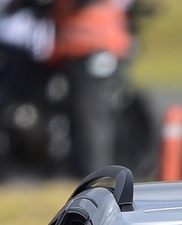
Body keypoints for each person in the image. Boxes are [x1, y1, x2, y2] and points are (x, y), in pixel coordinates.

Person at [46, 0, 133, 177]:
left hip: (95, 44)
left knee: (91, 116)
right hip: (74, 46)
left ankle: (96, 180)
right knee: (79, 115)